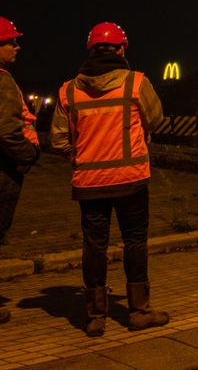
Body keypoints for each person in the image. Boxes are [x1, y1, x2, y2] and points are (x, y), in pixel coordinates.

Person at [50, 22, 169, 337]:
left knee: (94, 246)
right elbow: (155, 119)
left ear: (90, 50)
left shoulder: (69, 90)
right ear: (122, 48)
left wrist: (81, 155)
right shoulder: (136, 83)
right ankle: (139, 311)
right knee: (135, 242)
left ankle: (95, 317)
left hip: (89, 184)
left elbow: (58, 141)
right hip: (131, 180)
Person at [0, 17, 41, 325]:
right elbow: (7, 130)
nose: (17, 46)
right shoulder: (2, 81)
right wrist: (28, 155)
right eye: (11, 42)